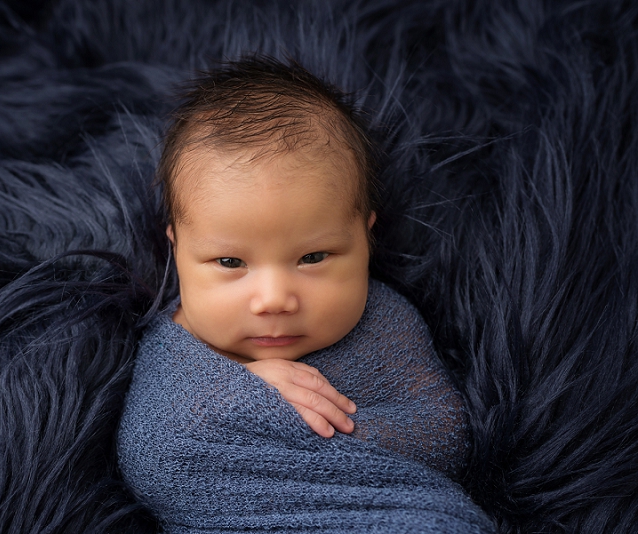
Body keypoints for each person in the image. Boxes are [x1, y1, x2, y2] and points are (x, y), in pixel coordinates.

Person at [117, 56, 494, 533]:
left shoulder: (384, 322)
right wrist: (244, 400)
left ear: (365, 239)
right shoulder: (176, 350)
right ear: (178, 250)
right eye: (231, 263)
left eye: (313, 257)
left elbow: (443, 438)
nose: (274, 299)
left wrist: (309, 430)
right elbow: (155, 460)